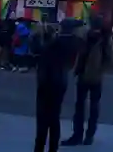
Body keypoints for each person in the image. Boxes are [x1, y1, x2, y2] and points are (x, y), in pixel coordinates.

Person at [61, 16, 113, 146]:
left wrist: (100, 69)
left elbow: (110, 58)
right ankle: (80, 135)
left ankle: (86, 135)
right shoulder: (88, 36)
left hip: (93, 76)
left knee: (90, 107)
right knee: (82, 106)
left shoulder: (104, 39)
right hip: (83, 74)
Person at [34, 19, 81, 152]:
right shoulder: (74, 43)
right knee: (54, 117)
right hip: (61, 81)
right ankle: (53, 148)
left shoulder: (57, 43)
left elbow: (39, 50)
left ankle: (39, 148)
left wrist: (40, 34)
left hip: (47, 81)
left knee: (43, 118)